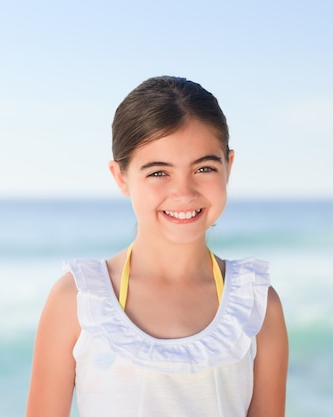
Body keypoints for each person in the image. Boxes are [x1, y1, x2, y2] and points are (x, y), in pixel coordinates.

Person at [25, 76, 288, 417]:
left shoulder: (256, 304)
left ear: (228, 167)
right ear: (121, 177)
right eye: (158, 173)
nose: (184, 192)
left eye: (204, 168)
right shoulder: (78, 300)